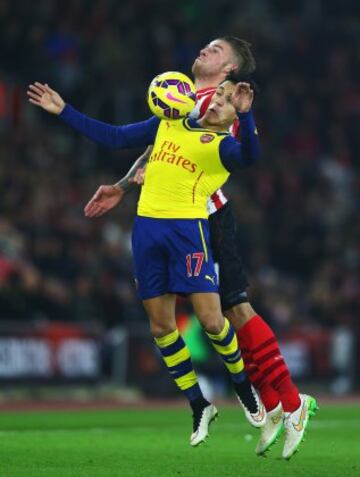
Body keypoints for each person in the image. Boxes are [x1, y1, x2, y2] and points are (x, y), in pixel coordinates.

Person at [71, 37, 318, 460]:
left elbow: (232, 154)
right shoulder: (181, 96)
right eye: (206, 45)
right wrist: (124, 184)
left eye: (216, 49)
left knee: (234, 310)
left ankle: (291, 403)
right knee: (221, 317)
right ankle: (276, 403)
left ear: (230, 71)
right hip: (171, 219)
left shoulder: (224, 104)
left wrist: (240, 113)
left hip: (205, 217)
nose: (205, 50)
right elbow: (156, 149)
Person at [28, 75, 267, 447]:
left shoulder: (224, 146)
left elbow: (252, 156)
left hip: (188, 232)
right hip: (146, 232)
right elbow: (115, 137)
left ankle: (243, 387)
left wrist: (248, 116)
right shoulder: (169, 122)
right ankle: (199, 405)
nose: (218, 100)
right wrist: (63, 111)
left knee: (211, 321)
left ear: (235, 115)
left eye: (227, 100)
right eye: (218, 93)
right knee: (160, 328)